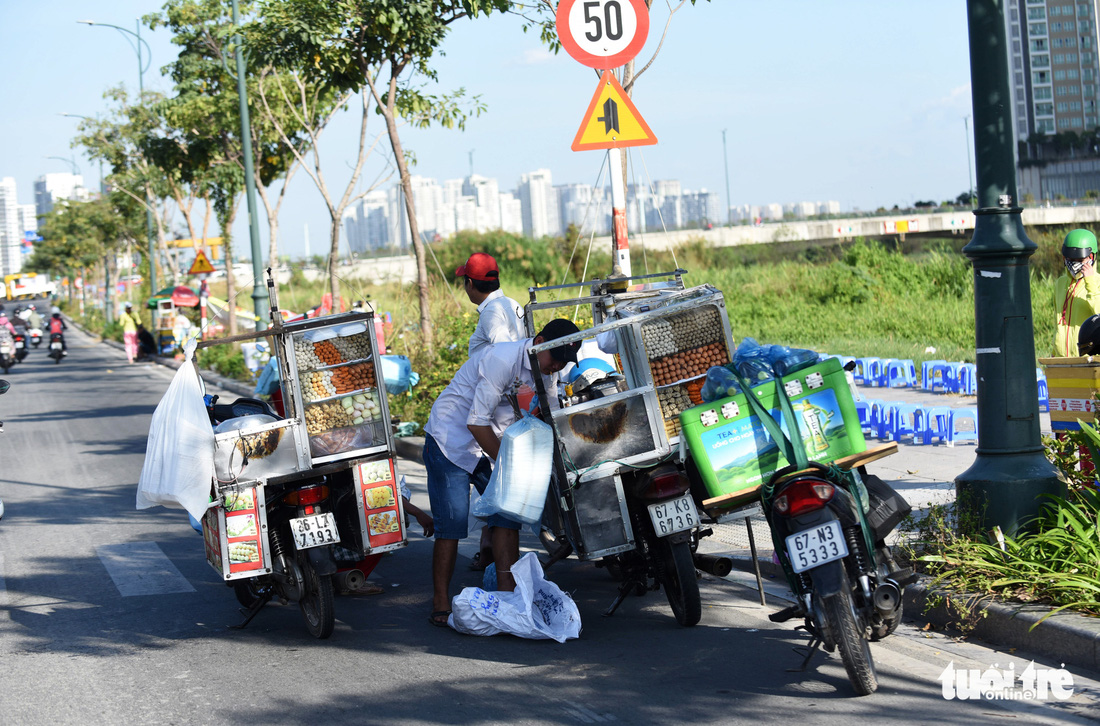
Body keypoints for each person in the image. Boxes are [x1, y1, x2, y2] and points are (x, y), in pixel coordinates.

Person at [423, 318, 580, 627]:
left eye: (564, 360)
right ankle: (440, 601)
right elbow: (475, 422)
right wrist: (511, 466)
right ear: (539, 342)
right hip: (450, 441)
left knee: (506, 515)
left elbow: (548, 412)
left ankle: (509, 599)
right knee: (452, 525)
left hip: (491, 444)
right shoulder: (501, 359)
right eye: (556, 357)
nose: (558, 365)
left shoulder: (547, 368)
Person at [455, 252, 525, 572]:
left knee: (493, 477)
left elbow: (501, 354)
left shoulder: (491, 315)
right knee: (495, 476)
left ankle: (497, 552)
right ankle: (487, 548)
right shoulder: (510, 304)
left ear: (471, 284)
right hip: (508, 404)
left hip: (493, 409)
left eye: (464, 282)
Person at [457, 252, 524, 356]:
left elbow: (505, 354)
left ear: (470, 283)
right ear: (497, 280)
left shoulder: (491, 312)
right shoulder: (512, 303)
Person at [1055, 229, 1100, 356]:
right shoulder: (1060, 283)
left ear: (1091, 257)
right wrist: (1054, 352)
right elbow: (1057, 321)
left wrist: (1090, 282)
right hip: (1061, 359)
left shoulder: (1098, 282)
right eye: (1070, 259)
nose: (1074, 263)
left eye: (1080, 260)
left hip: (1088, 359)